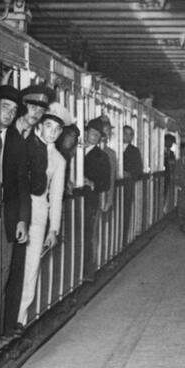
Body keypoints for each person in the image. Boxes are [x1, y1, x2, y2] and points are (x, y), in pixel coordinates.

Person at [17, 101, 72, 328]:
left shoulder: (59, 160)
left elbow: (56, 197)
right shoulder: (25, 145)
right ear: (40, 125)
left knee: (31, 268)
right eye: (49, 126)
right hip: (18, 212)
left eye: (57, 130)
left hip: (38, 216)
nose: (53, 132)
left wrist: (54, 229)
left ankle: (20, 318)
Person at [0, 85, 30, 339]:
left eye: (12, 109)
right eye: (4, 107)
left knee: (6, 269)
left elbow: (21, 183)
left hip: (8, 214)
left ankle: (3, 326)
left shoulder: (15, 141)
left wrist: (22, 219)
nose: (8, 114)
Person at [83, 117, 111, 280]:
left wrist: (92, 183)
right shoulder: (76, 150)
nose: (92, 136)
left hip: (90, 200)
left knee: (89, 235)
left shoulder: (101, 156)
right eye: (90, 132)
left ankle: (89, 271)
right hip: (78, 199)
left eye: (96, 134)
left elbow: (106, 182)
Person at [122, 124, 143, 243]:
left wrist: (129, 174)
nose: (128, 136)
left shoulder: (134, 151)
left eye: (130, 134)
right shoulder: (114, 147)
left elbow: (138, 171)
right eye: (125, 133)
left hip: (127, 185)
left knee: (126, 210)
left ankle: (124, 238)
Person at [56, 123, 80, 196]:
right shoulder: (55, 152)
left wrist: (67, 182)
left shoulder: (66, 155)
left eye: (74, 137)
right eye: (70, 136)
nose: (72, 140)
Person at [163, 134, 177, 212]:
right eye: (170, 142)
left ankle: (165, 209)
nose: (171, 144)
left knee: (167, 192)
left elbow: (173, 163)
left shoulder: (171, 153)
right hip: (163, 176)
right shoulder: (160, 152)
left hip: (169, 176)